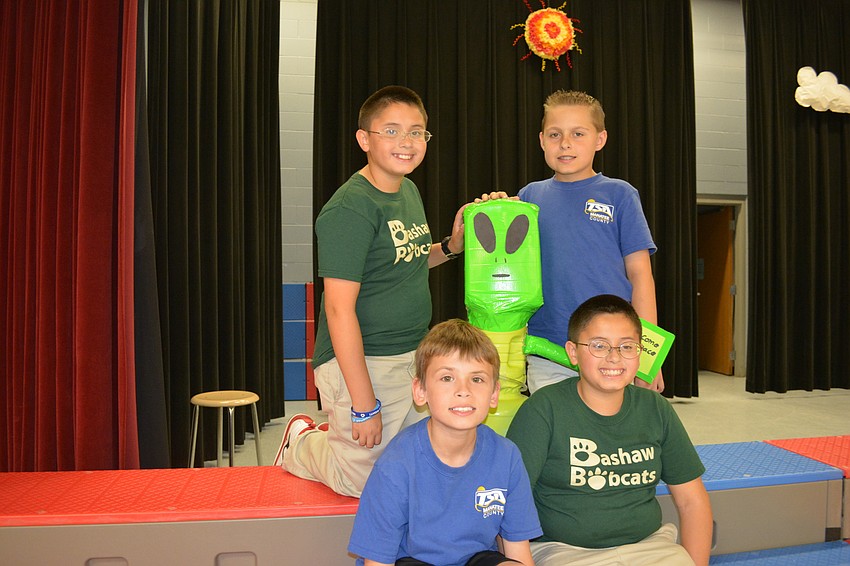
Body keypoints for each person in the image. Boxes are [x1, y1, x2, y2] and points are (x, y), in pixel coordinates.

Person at [275, 85, 508, 497]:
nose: (407, 142)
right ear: (364, 139)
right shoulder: (350, 209)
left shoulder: (407, 190)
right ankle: (302, 442)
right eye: (393, 131)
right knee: (361, 481)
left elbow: (410, 258)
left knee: (416, 463)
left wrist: (452, 247)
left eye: (417, 132)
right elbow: (338, 311)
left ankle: (343, 433)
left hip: (412, 354)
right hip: (361, 359)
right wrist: (364, 404)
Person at [506, 295, 712, 566]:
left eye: (627, 346)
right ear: (572, 352)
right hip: (565, 552)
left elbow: (691, 501)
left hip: (651, 548)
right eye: (599, 346)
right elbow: (510, 505)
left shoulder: (655, 408)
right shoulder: (543, 410)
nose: (614, 358)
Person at [348, 319, 542, 566]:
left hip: (476, 559)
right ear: (420, 391)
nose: (463, 390)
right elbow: (376, 561)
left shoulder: (507, 456)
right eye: (447, 378)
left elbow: (518, 552)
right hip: (412, 560)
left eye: (477, 379)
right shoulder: (396, 465)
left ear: (494, 394)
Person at [518, 90, 663, 393]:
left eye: (578, 133)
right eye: (555, 134)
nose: (565, 143)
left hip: (613, 350)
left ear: (600, 139)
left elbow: (641, 276)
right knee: (560, 437)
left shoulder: (620, 195)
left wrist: (649, 358)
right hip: (547, 349)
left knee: (614, 435)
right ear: (542, 140)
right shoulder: (528, 197)